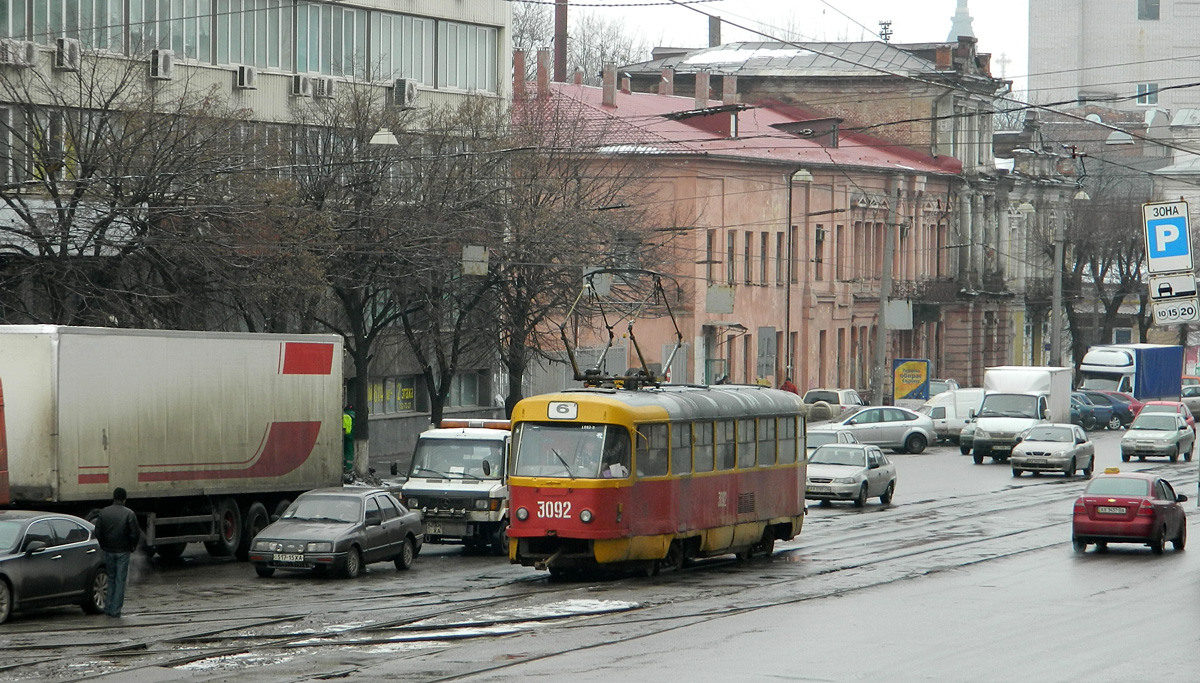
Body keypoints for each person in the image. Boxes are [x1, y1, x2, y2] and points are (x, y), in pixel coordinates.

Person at [95, 487, 140, 618]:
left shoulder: (104, 512)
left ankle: (108, 608)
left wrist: (103, 545)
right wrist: (131, 547)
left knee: (111, 578)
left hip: (108, 550)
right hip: (123, 551)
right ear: (124, 499)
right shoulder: (129, 513)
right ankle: (115, 610)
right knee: (120, 580)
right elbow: (135, 534)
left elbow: (98, 531)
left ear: (113, 497)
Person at [342, 405, 355, 473]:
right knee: (349, 453)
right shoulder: (355, 416)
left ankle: (342, 466)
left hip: (342, 435)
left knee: (343, 452)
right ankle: (348, 468)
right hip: (350, 436)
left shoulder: (343, 414)